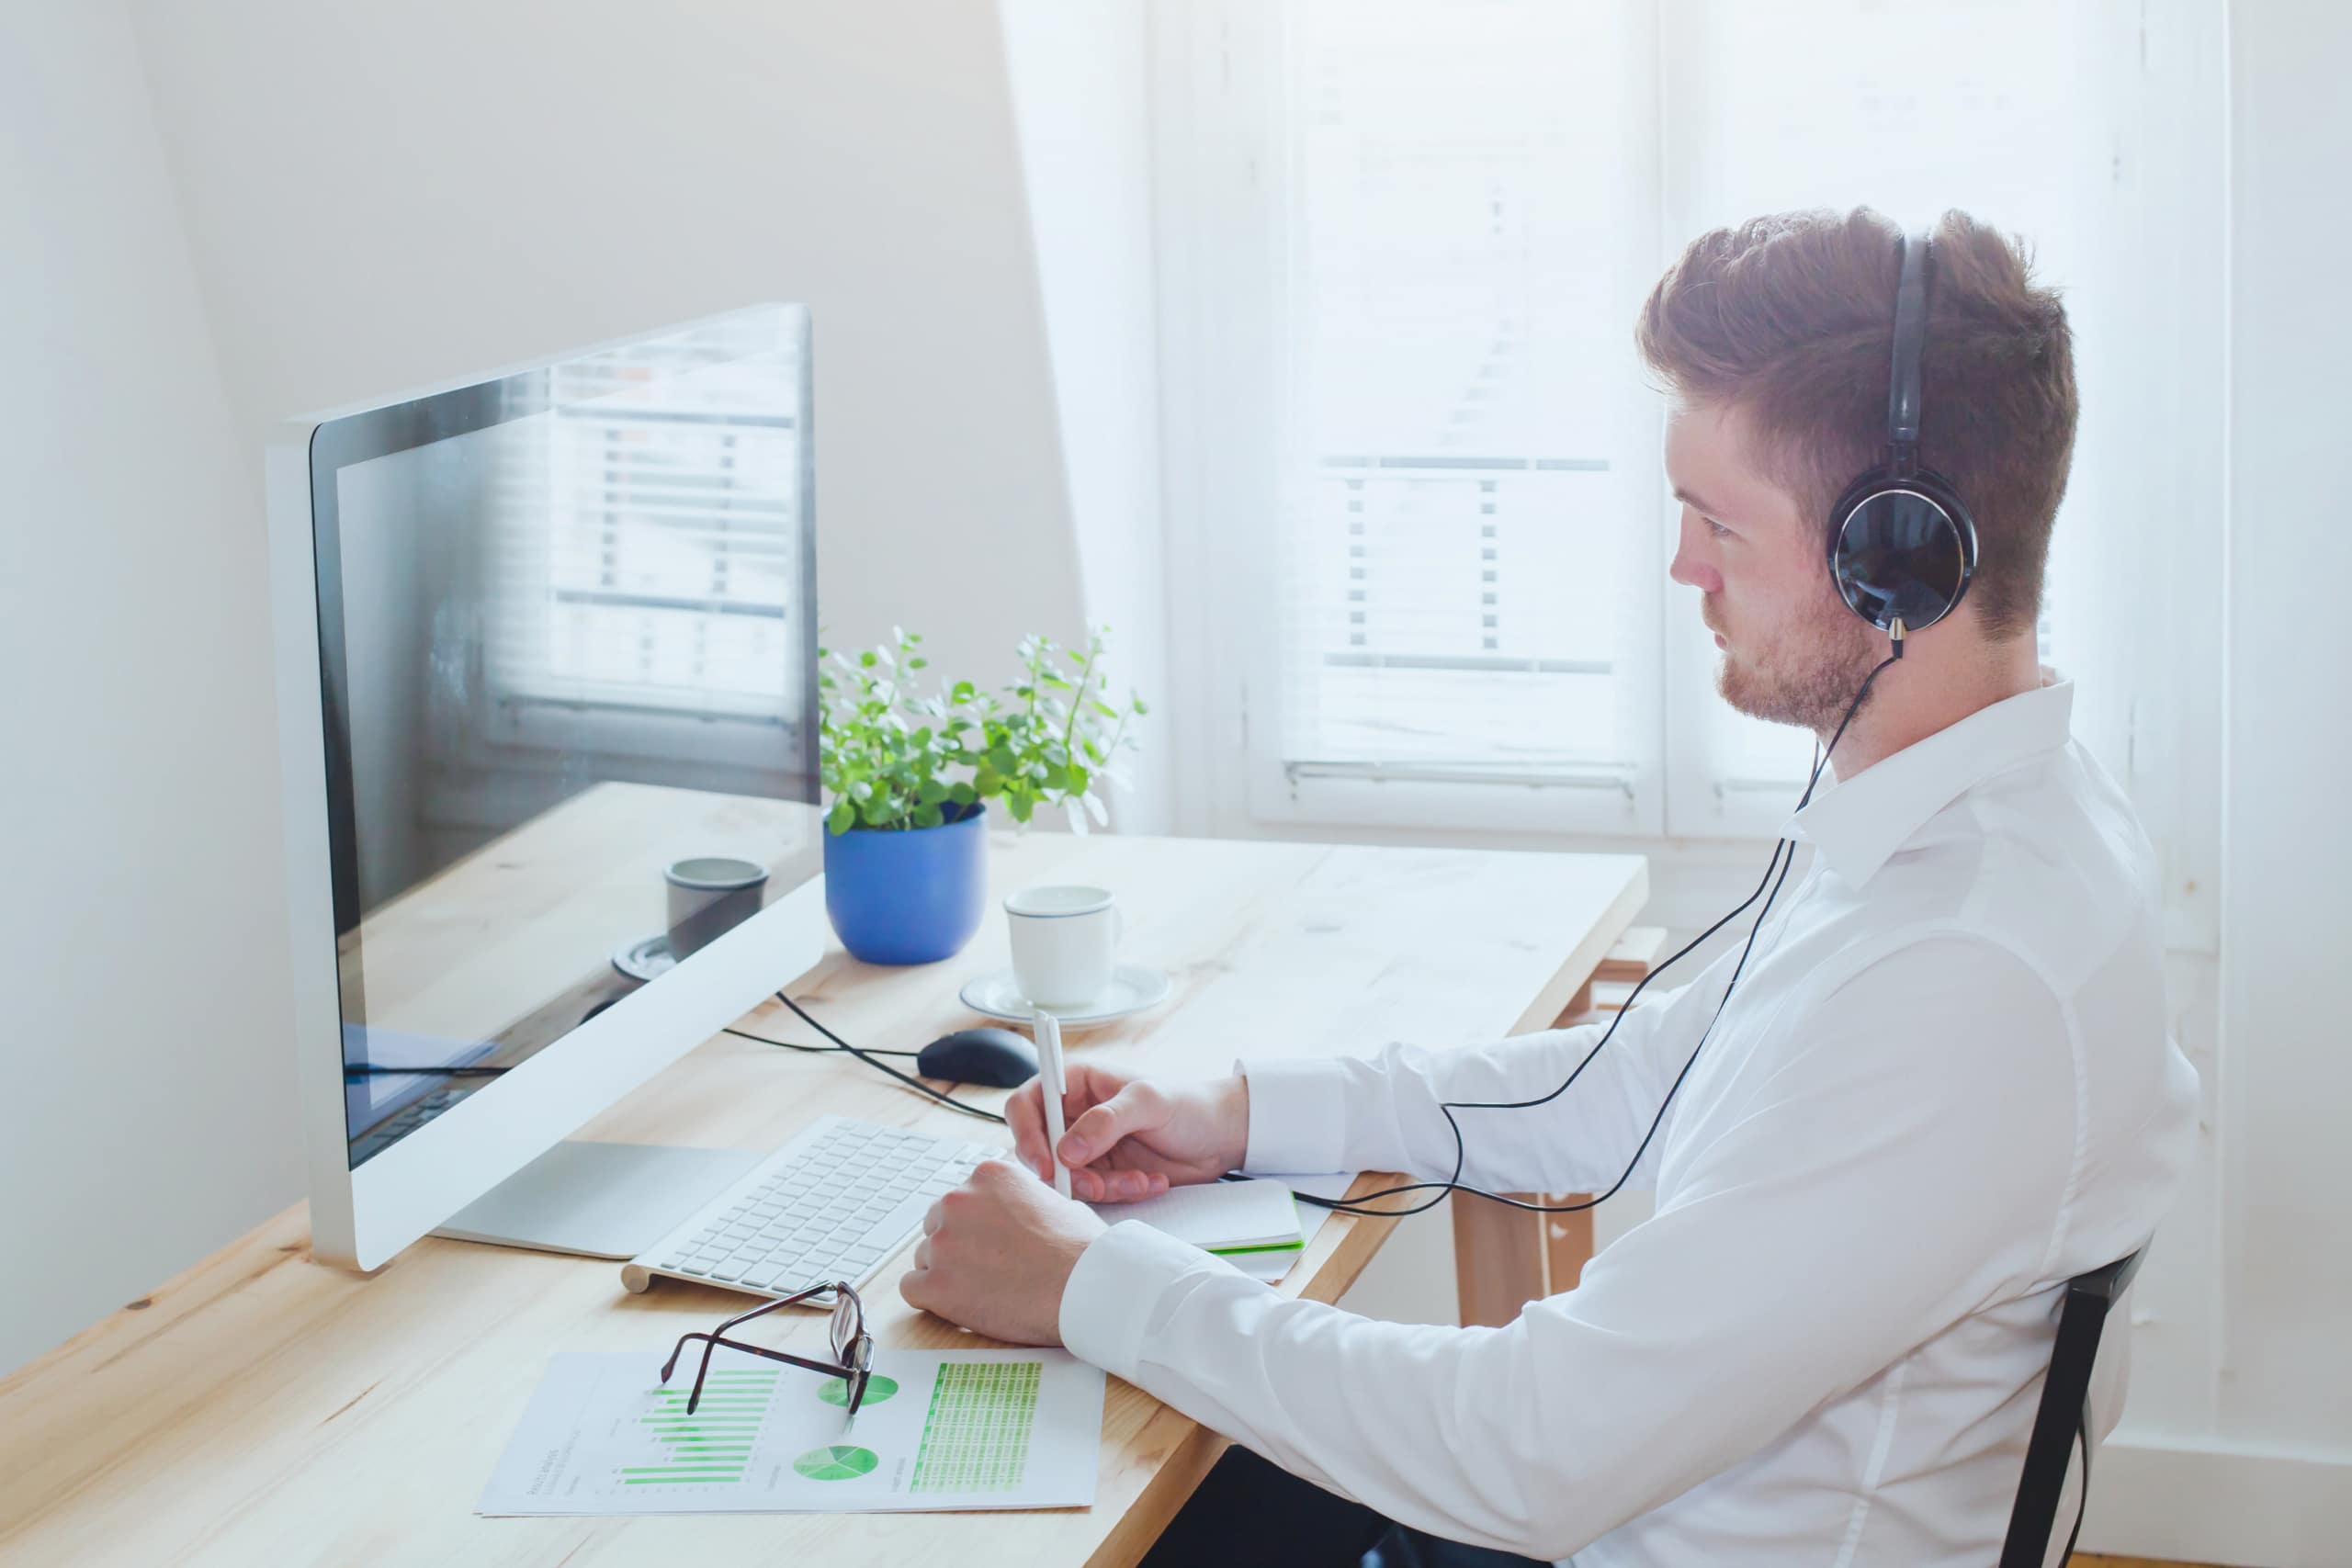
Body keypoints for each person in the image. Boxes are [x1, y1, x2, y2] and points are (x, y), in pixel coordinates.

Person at [896, 207, 2199, 1567]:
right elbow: (1629, 1088)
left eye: (1718, 525)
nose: (1682, 567)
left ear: (1896, 561)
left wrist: (1088, 1283)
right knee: (1172, 1449)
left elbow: (1528, 1454)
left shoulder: (1963, 970)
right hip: (1628, 1512)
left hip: (1608, 1529)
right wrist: (1243, 1114)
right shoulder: (1970, 835)